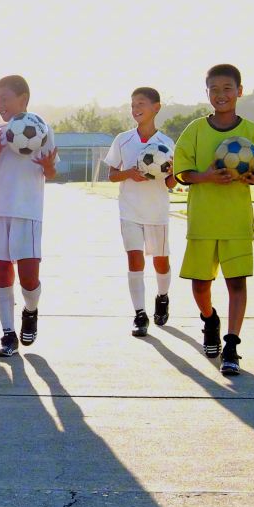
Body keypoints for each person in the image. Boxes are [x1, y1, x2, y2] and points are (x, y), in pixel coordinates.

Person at [173, 64, 254, 376]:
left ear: (240, 91)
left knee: (236, 283)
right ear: (207, 93)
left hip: (237, 221)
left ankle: (232, 345)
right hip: (202, 220)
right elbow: (183, 172)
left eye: (228, 88)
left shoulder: (251, 132)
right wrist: (208, 176)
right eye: (215, 89)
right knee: (201, 286)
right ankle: (210, 318)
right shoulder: (195, 131)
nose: (221, 94)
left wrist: (253, 178)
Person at [0, 75, 58, 357]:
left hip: (28, 213)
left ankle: (31, 310)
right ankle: (8, 334)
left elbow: (51, 173)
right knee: (2, 274)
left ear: (24, 99)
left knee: (28, 278)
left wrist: (48, 166)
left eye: (5, 99)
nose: (0, 105)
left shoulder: (43, 130)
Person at [103, 86, 176, 338]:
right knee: (135, 261)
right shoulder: (123, 139)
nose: (136, 109)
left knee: (161, 262)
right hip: (130, 211)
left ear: (156, 107)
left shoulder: (166, 144)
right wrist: (129, 173)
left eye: (141, 104)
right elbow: (111, 175)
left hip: (157, 212)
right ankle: (140, 314)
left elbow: (170, 183)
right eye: (133, 105)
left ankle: (163, 296)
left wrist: (173, 174)